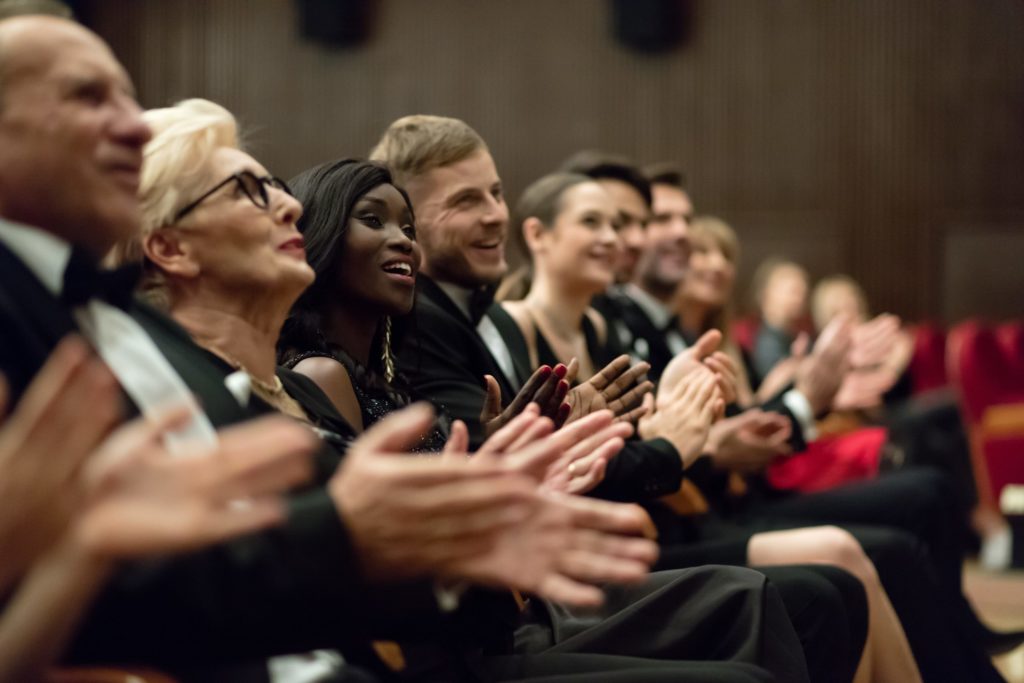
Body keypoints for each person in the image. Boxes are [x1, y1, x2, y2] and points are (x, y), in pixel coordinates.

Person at [0, 18, 656, 681]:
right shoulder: (51, 318)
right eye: (89, 96)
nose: (134, 125)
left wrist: (458, 528)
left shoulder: (142, 335)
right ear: (168, 248)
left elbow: (229, 569)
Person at [500, 170, 932, 683]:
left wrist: (703, 429)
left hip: (663, 520)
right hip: (616, 546)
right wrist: (687, 443)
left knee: (855, 561)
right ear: (537, 235)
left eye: (626, 224)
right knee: (832, 577)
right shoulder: (524, 326)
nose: (620, 238)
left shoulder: (606, 326)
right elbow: (616, 459)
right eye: (600, 223)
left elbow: (649, 444)